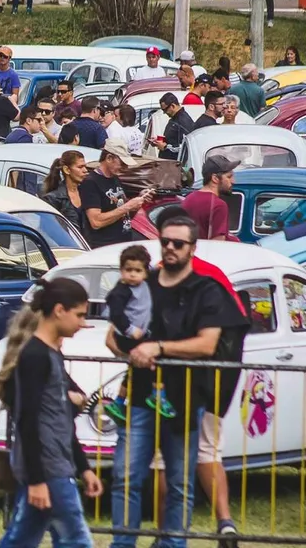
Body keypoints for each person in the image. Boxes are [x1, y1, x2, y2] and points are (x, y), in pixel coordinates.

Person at [107, 214, 236, 548]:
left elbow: (207, 344)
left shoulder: (205, 290)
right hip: (139, 396)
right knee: (125, 477)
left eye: (178, 243)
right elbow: (111, 336)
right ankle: (123, 544)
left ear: (192, 247)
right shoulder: (141, 282)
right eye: (165, 241)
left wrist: (159, 347)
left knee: (180, 484)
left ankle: (173, 544)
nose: (170, 248)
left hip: (184, 399)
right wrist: (132, 352)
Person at [0, 278, 103, 548]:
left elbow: (60, 419)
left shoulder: (52, 354)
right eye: (79, 314)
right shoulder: (35, 356)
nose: (82, 323)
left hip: (55, 465)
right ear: (59, 310)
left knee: (21, 539)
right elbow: (27, 420)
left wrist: (84, 468)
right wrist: (36, 480)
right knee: (76, 540)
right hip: (48, 467)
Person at [102, 245, 177, 426]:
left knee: (135, 368)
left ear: (145, 272)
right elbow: (116, 314)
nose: (133, 275)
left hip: (140, 333)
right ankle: (158, 395)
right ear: (121, 270)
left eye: (138, 271)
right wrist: (130, 330)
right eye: (128, 270)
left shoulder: (145, 285)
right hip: (127, 336)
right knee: (153, 360)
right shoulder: (121, 291)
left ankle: (120, 401)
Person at [80, 138, 148, 248]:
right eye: (122, 163)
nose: (125, 167)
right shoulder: (90, 182)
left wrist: (137, 203)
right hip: (105, 247)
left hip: (123, 243)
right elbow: (96, 222)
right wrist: (128, 206)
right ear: (109, 158)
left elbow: (124, 214)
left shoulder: (115, 178)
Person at [181, 154, 240, 241]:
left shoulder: (188, 199)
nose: (233, 181)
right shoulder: (219, 205)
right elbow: (218, 243)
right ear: (215, 178)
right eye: (229, 177)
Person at [41, 149, 87, 227]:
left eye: (85, 166)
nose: (85, 170)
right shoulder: (53, 198)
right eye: (80, 167)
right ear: (67, 170)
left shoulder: (87, 193)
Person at [153, 93, 195, 160]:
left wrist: (166, 147)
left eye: (165, 110)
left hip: (175, 163)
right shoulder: (174, 119)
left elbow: (186, 146)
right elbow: (172, 140)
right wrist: (159, 141)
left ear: (172, 106)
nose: (164, 113)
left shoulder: (183, 121)